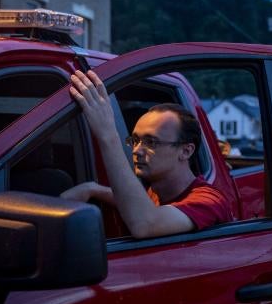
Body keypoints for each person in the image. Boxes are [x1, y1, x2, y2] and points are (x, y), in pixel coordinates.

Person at [60, 70, 233, 238]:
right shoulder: (156, 192)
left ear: (186, 151)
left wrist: (107, 134)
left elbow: (145, 224)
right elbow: (135, 201)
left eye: (151, 142)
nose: (136, 150)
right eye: (135, 141)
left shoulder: (208, 201)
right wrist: (93, 189)